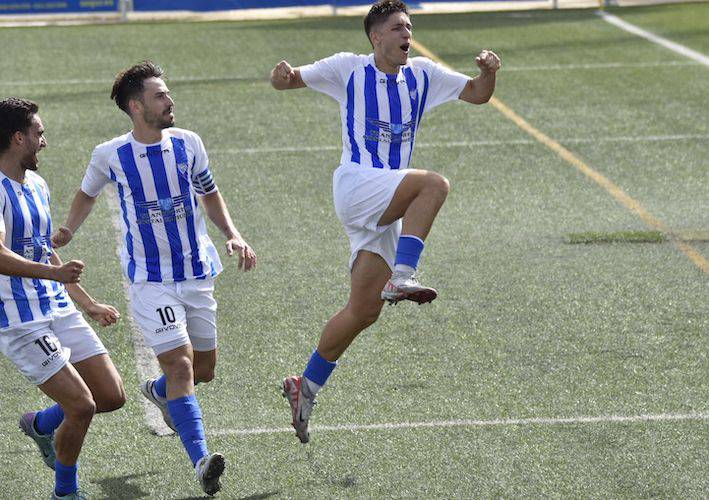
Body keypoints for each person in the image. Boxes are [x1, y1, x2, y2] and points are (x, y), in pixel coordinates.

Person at [270, 0, 500, 443]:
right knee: (434, 184)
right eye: (397, 28)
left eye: (409, 27)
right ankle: (405, 274)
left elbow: (477, 93)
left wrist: (489, 72)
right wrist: (281, 76)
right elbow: (290, 80)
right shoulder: (347, 70)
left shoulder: (423, 75)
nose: (406, 34)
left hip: (386, 203)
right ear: (376, 37)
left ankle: (306, 386)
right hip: (358, 185)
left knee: (363, 311)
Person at [51, 61, 256, 496]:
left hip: (197, 272)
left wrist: (233, 234)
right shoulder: (110, 154)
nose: (170, 100)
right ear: (136, 105)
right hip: (149, 280)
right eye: (160, 95)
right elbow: (87, 194)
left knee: (204, 370)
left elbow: (210, 192)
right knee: (180, 362)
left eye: (168, 93)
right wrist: (68, 228)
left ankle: (162, 393)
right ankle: (201, 459)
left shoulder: (189, 143)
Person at [0, 97, 126, 500]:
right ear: (18, 138)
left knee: (110, 395)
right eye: (39, 133)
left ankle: (40, 425)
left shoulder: (36, 184)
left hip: (56, 305)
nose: (44, 142)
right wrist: (55, 273)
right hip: (21, 320)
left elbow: (41, 247)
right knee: (82, 405)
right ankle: (65, 492)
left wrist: (85, 302)